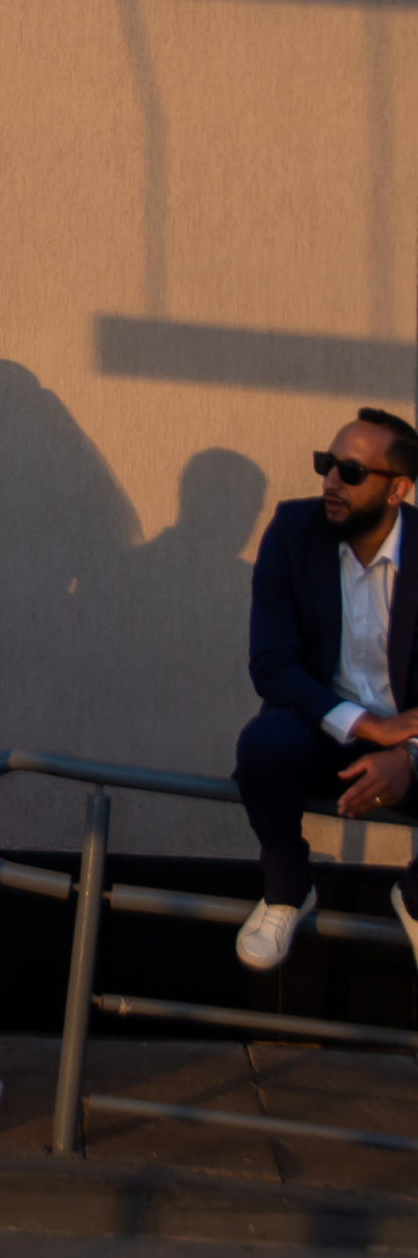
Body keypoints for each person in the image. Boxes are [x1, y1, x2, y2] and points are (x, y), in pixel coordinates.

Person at [233, 407, 418, 973]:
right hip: (324, 728)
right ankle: (287, 887)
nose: (331, 481)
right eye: (326, 464)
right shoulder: (293, 530)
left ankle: (416, 897)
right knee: (263, 743)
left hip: (410, 739)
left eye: (351, 471)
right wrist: (367, 727)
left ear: (398, 489)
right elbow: (272, 665)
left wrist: (408, 757)